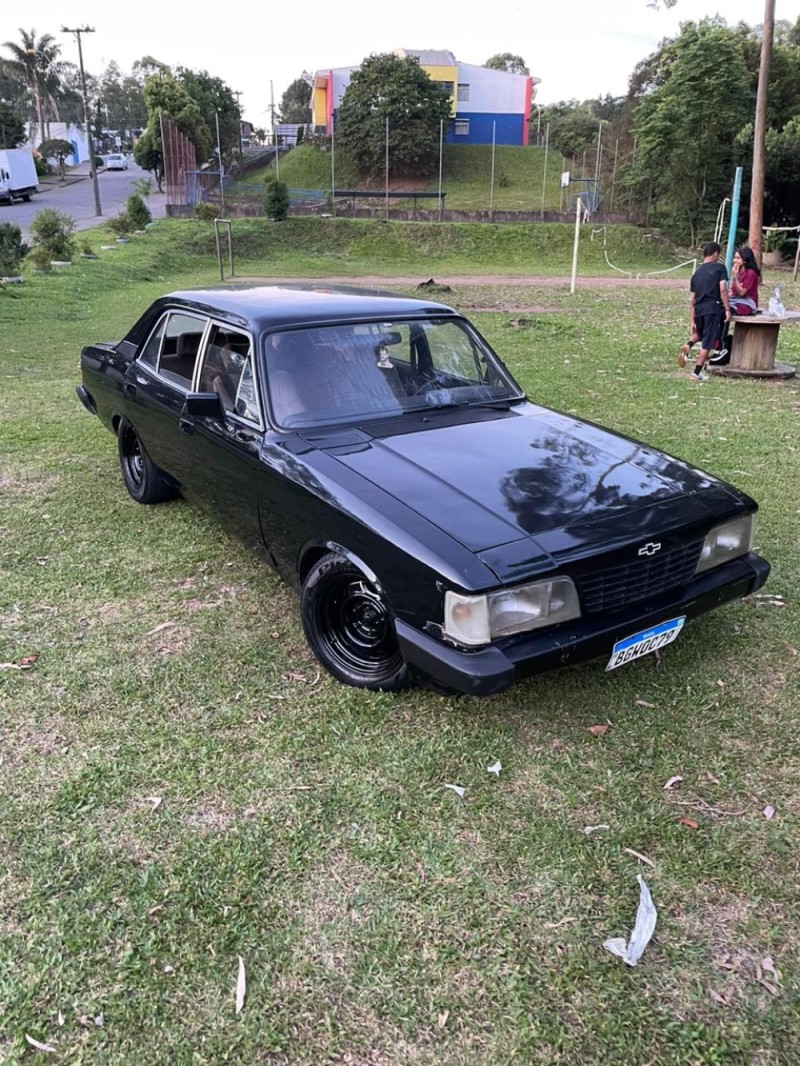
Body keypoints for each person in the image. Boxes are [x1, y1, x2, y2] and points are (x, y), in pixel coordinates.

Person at [677, 241, 731, 381]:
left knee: (699, 333)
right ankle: (696, 373)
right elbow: (723, 289)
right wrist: (727, 309)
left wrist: (692, 319)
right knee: (708, 342)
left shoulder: (697, 273)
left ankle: (688, 345)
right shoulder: (720, 268)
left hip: (699, 309)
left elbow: (692, 299)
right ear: (715, 254)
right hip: (712, 308)